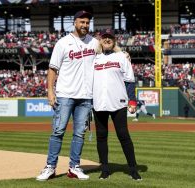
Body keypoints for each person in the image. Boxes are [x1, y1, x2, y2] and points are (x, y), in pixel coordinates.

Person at [36, 10, 98, 181]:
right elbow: (53, 68)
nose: (85, 25)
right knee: (58, 131)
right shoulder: (63, 43)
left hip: (85, 96)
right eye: (82, 22)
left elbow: (109, 47)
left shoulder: (94, 43)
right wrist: (50, 90)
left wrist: (123, 52)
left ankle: (74, 167)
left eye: (87, 22)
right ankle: (50, 167)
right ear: (75, 22)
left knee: (79, 134)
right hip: (65, 94)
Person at [92, 29, 142, 181]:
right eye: (104, 38)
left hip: (118, 102)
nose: (107, 40)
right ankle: (105, 169)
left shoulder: (121, 56)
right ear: (100, 41)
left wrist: (132, 101)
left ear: (114, 41)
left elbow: (129, 81)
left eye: (110, 38)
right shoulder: (94, 58)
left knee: (123, 136)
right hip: (98, 102)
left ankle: (133, 169)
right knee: (101, 137)